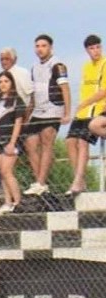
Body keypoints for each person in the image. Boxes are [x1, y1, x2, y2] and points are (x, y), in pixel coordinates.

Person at [23, 35, 70, 197]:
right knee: (30, 143)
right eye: (37, 46)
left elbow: (65, 89)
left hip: (53, 109)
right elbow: (32, 95)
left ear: (50, 47)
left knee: (46, 142)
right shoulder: (34, 67)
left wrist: (67, 112)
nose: (40, 49)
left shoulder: (57, 65)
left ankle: (41, 182)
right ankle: (39, 181)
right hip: (37, 110)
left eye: (43, 45)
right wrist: (27, 115)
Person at [0, 72, 27, 214]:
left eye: (6, 81)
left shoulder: (17, 100)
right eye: (0, 81)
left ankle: (18, 202)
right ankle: (7, 202)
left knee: (7, 171)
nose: (3, 84)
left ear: (12, 83)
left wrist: (12, 143)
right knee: (2, 172)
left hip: (10, 140)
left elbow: (18, 122)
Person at [67, 35, 106, 195]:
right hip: (85, 109)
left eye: (98, 47)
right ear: (87, 50)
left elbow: (103, 90)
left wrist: (86, 103)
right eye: (92, 48)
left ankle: (78, 181)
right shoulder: (86, 67)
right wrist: (80, 106)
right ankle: (79, 178)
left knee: (83, 141)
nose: (95, 51)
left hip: (97, 108)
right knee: (70, 141)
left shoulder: (104, 64)